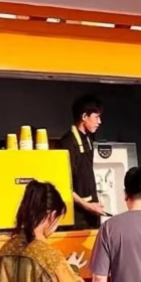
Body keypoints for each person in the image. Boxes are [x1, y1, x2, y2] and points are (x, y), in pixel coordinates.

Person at [58, 95, 106, 229]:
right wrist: (87, 206)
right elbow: (64, 186)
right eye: (96, 117)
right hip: (77, 219)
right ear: (84, 116)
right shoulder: (68, 142)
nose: (99, 122)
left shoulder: (89, 139)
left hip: (92, 214)